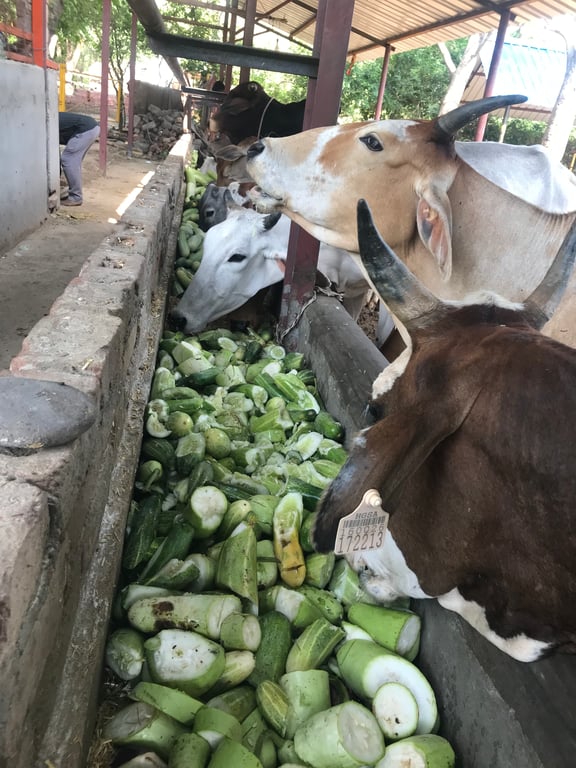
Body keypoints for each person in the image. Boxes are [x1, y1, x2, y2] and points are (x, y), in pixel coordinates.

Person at [58, 112, 100, 206]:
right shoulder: (47, 118)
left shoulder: (43, 122)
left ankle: (75, 197)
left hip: (85, 129)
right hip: (92, 127)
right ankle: (73, 192)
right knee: (73, 162)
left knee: (68, 159)